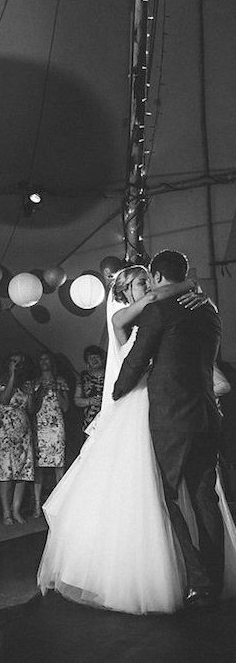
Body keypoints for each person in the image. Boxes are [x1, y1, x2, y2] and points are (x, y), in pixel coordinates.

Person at [38, 262, 236, 614]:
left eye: (149, 279)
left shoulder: (162, 313)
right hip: (139, 408)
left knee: (182, 495)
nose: (147, 286)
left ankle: (198, 578)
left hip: (165, 411)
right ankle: (189, 577)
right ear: (125, 292)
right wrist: (190, 285)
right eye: (138, 282)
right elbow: (131, 363)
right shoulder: (127, 318)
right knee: (158, 495)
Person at [113, 251, 234, 608]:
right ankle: (213, 577)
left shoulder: (160, 310)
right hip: (207, 415)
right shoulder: (209, 312)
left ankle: (197, 580)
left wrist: (117, 393)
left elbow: (137, 359)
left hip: (173, 417)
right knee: (203, 496)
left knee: (164, 497)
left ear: (155, 275)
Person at [0, 352, 35, 525]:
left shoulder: (25, 384)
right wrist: (11, 375)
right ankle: (6, 513)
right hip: (4, 432)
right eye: (14, 361)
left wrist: (31, 393)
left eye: (20, 362)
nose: (17, 364)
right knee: (6, 473)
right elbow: (3, 399)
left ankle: (16, 510)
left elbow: (31, 410)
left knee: (22, 472)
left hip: (23, 432)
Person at [32, 351, 69, 517]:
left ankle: (59, 504)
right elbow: (32, 408)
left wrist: (57, 390)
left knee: (58, 464)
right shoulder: (35, 382)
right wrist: (39, 391)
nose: (44, 361)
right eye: (41, 359)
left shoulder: (60, 381)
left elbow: (66, 407)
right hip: (40, 425)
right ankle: (37, 505)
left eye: (47, 359)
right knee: (38, 467)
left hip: (56, 425)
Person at [73, 345, 106, 433]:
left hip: (110, 417)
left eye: (96, 357)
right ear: (87, 363)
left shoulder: (111, 373)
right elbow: (77, 400)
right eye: (91, 358)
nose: (94, 360)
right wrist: (90, 401)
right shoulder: (83, 377)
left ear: (102, 359)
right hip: (91, 421)